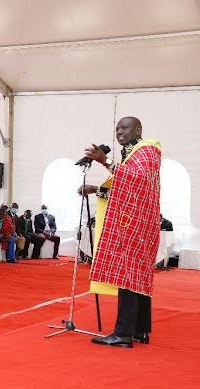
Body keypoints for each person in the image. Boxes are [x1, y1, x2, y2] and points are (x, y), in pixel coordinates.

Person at [80, 117, 161, 348]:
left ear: (138, 129)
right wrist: (96, 189)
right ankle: (140, 331)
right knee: (138, 276)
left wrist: (107, 162)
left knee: (129, 275)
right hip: (139, 223)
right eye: (116, 128)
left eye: (124, 128)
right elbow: (127, 190)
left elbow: (138, 179)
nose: (119, 132)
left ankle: (123, 333)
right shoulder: (134, 154)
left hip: (136, 226)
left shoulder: (146, 150)